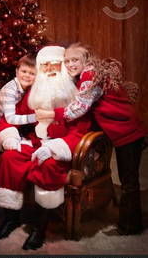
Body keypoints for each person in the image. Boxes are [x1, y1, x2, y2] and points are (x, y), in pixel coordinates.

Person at [35, 42, 147, 235]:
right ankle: (130, 218)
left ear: (86, 60)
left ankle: (130, 225)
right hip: (123, 132)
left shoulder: (90, 76)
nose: (70, 64)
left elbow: (79, 107)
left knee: (129, 181)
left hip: (128, 133)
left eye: (75, 60)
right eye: (67, 60)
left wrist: (51, 114)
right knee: (128, 179)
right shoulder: (88, 75)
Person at [0, 46, 92, 250]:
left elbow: (81, 132)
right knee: (10, 157)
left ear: (63, 67)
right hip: (34, 143)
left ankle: (40, 226)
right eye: (44, 66)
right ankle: (11, 218)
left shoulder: (75, 97)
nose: (50, 70)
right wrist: (9, 137)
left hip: (60, 150)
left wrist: (55, 148)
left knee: (48, 165)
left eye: (55, 65)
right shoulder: (34, 93)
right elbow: (8, 120)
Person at [0, 55, 37, 128]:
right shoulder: (10, 90)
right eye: (24, 71)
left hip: (14, 118)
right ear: (17, 72)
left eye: (32, 73)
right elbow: (10, 119)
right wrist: (36, 117)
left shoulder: (31, 87)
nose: (27, 75)